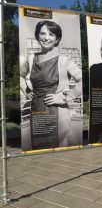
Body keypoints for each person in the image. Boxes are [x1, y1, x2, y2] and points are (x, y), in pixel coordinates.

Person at [20, 20, 82, 150]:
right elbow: (20, 75)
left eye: (51, 34)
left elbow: (82, 80)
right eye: (42, 33)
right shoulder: (31, 59)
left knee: (58, 149)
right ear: (37, 36)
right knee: (39, 149)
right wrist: (26, 91)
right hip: (37, 111)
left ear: (57, 39)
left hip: (57, 112)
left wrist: (65, 98)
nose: (46, 38)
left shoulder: (64, 60)